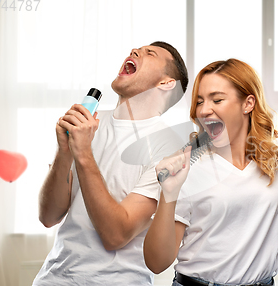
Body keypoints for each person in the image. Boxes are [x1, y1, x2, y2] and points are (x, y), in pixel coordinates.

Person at [143, 59, 278, 286]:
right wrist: (168, 194)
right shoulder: (187, 168)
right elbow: (156, 263)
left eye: (217, 99)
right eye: (199, 102)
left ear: (248, 104)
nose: (204, 110)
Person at [34, 41, 188, 285]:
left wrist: (83, 152)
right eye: (136, 49)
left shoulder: (168, 149)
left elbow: (116, 235)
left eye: (150, 53)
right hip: (52, 278)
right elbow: (48, 216)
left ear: (166, 83)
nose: (134, 51)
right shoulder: (89, 124)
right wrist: (63, 153)